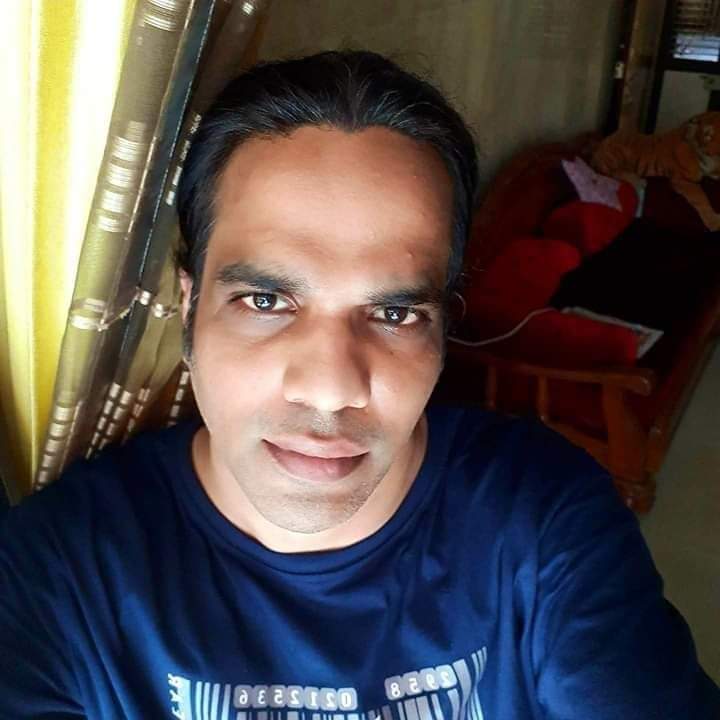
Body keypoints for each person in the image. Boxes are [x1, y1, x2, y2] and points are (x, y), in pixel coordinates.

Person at [1, 50, 718, 720]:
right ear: (189, 310)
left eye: (395, 313)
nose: (329, 390)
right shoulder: (55, 569)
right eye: (265, 301)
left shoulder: (544, 517)